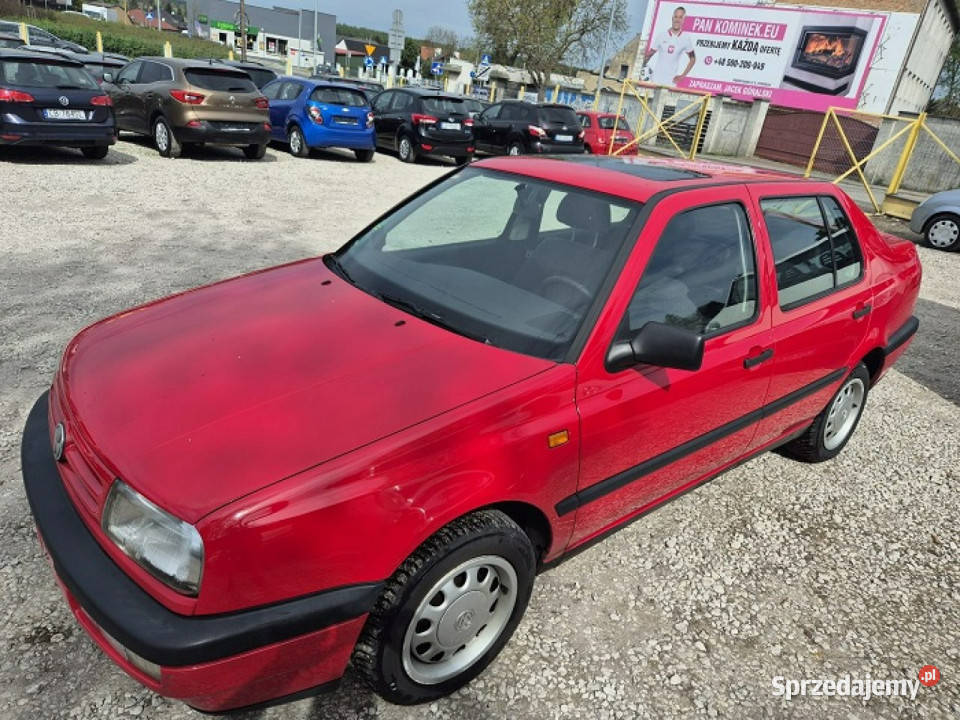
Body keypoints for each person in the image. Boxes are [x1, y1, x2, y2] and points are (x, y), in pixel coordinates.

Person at [644, 6, 696, 87]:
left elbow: (693, 59)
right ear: (672, 18)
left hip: (670, 83)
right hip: (655, 80)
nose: (677, 20)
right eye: (676, 17)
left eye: (680, 17)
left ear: (683, 20)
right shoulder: (661, 35)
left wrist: (682, 76)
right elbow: (649, 54)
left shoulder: (685, 38)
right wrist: (641, 64)